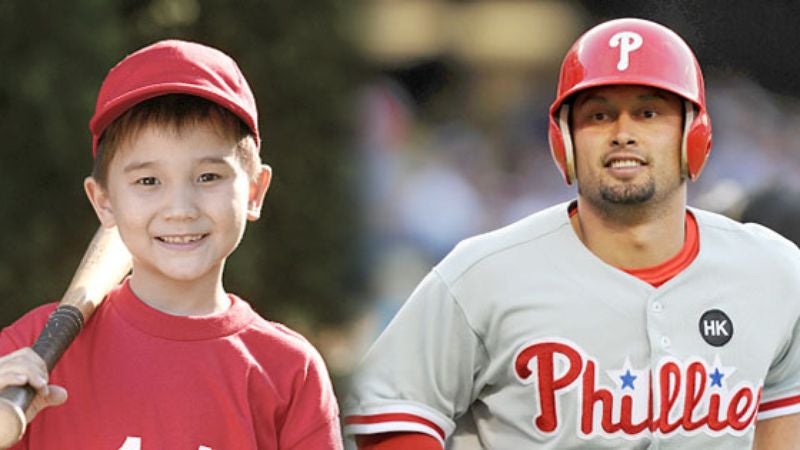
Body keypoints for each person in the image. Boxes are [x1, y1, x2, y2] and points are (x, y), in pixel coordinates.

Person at [343, 18, 800, 449]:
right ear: (563, 141)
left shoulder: (775, 274)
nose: (623, 134)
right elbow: (390, 411)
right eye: (599, 116)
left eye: (647, 113)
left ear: (692, 136)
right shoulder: (481, 275)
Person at [0, 39, 342, 449]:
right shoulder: (32, 355)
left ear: (254, 191)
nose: (180, 209)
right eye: (148, 181)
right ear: (103, 201)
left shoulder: (287, 370)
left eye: (208, 177)